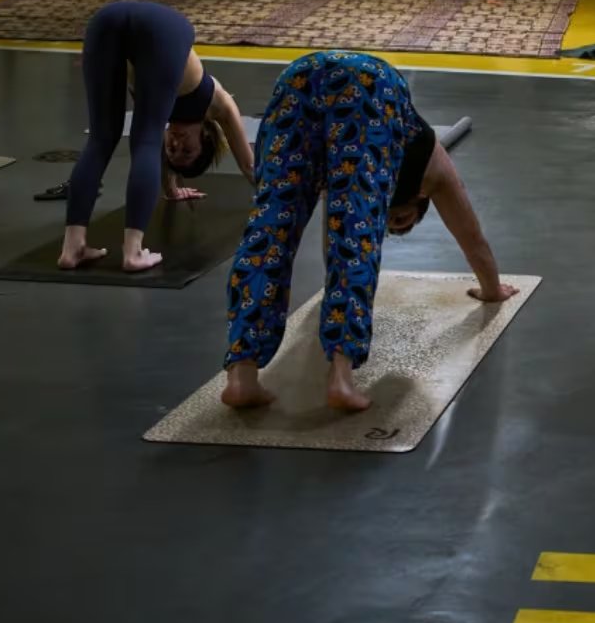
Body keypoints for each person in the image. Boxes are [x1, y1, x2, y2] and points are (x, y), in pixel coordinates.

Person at [219, 50, 516, 413]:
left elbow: (334, 236)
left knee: (268, 231)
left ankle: (242, 377)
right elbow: (472, 237)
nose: (393, 222)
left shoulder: (355, 170)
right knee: (355, 238)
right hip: (370, 86)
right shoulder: (435, 169)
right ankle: (341, 379)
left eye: (393, 227)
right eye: (403, 220)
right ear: (421, 200)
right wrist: (492, 289)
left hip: (299, 79)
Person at [56, 0, 257, 271]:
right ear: (207, 138)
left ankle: (72, 249)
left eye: (173, 150)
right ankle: (133, 253)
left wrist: (171, 188)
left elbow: (158, 155)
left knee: (101, 139)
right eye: (187, 150)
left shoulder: (160, 110)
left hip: (106, 20)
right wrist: (273, 200)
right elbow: (248, 165)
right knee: (145, 141)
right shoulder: (216, 104)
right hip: (165, 28)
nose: (176, 143)